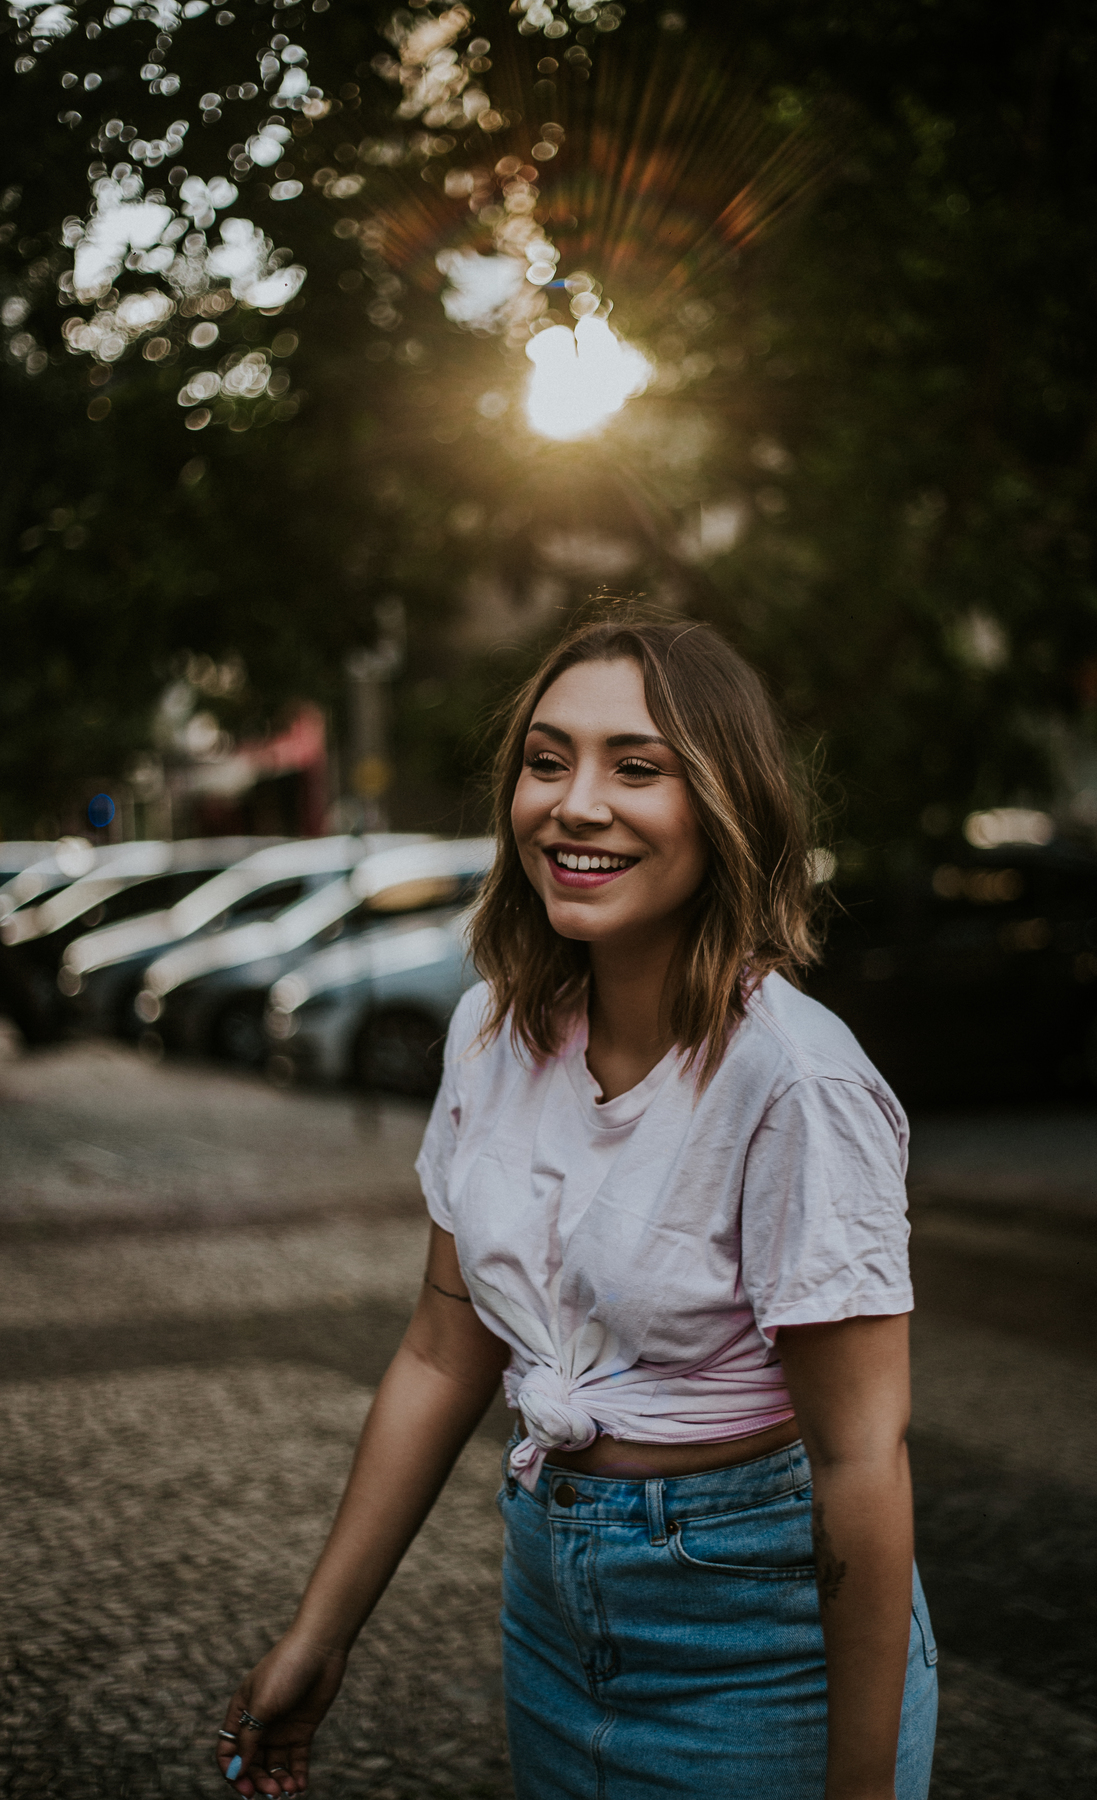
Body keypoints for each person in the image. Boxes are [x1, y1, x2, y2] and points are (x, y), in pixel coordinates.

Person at [216, 615, 938, 1800]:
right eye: (547, 761)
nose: (575, 803)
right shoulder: (491, 1035)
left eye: (636, 767)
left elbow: (862, 1460)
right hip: (552, 1612)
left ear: (725, 805)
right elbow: (446, 1352)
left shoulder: (795, 1081)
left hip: (759, 1648)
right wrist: (322, 1633)